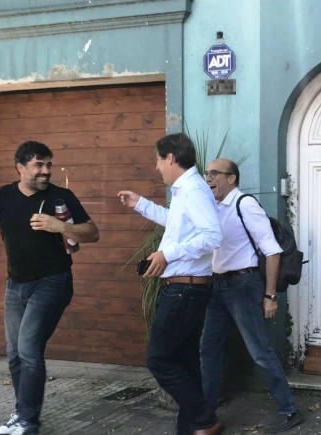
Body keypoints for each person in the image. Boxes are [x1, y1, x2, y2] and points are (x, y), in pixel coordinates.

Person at [0, 141, 100, 435]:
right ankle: (23, 414)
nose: (46, 171)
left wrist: (61, 227)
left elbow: (92, 233)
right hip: (16, 284)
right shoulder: (2, 197)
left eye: (49, 165)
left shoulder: (62, 196)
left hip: (52, 282)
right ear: (20, 167)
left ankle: (28, 421)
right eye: (39, 165)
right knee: (14, 352)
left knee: (29, 349)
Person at [117, 133, 223, 435]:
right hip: (185, 288)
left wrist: (168, 253)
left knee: (160, 359)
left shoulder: (192, 189)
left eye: (157, 161)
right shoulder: (187, 189)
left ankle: (204, 419)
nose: (156, 168)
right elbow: (177, 224)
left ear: (170, 158)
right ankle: (192, 427)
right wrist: (140, 203)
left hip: (185, 290)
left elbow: (212, 236)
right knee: (185, 361)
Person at [200, 158, 304, 434]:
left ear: (232, 178)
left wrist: (270, 295)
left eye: (214, 174)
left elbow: (272, 251)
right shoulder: (214, 208)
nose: (208, 178)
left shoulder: (244, 204)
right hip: (218, 287)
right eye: (206, 173)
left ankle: (289, 410)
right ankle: (206, 414)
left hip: (244, 286)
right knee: (208, 350)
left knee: (260, 351)